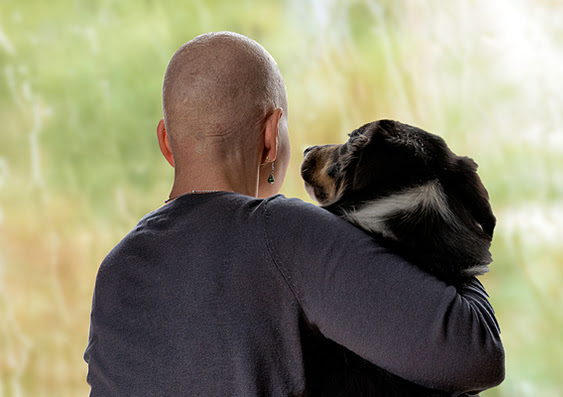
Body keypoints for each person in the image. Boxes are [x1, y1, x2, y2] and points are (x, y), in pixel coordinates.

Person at [84, 32, 505, 396]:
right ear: (271, 138)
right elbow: (476, 355)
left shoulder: (116, 269)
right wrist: (450, 248)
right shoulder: (281, 234)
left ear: (166, 142)